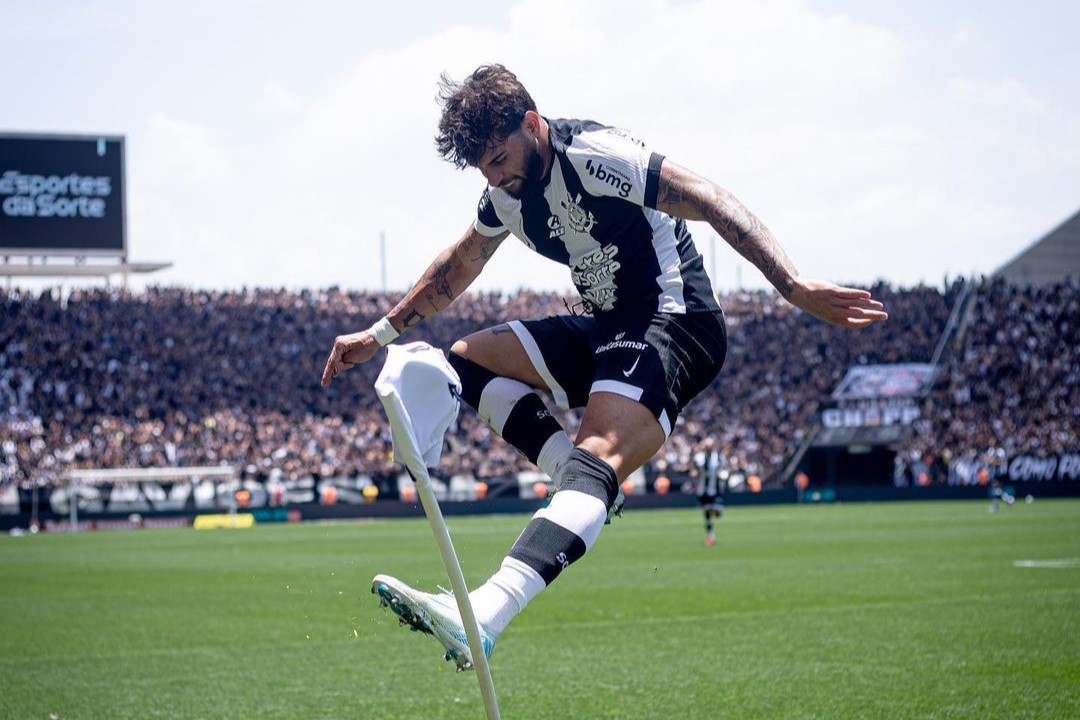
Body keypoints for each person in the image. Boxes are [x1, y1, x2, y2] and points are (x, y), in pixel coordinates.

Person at [321, 64, 888, 669]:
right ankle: (585, 485)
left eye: (499, 157)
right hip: (608, 327)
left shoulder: (596, 155)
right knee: (470, 361)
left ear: (533, 124)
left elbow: (712, 200)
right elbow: (454, 269)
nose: (495, 176)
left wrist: (793, 285)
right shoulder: (504, 199)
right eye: (482, 167)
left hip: (675, 321)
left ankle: (486, 611)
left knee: (598, 457)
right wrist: (378, 335)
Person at [692, 437, 726, 547]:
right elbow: (698, 468)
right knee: (707, 513)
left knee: (716, 511)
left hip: (715, 489)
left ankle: (711, 533)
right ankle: (710, 536)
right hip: (703, 490)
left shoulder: (718, 457)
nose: (709, 448)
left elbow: (721, 468)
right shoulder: (700, 458)